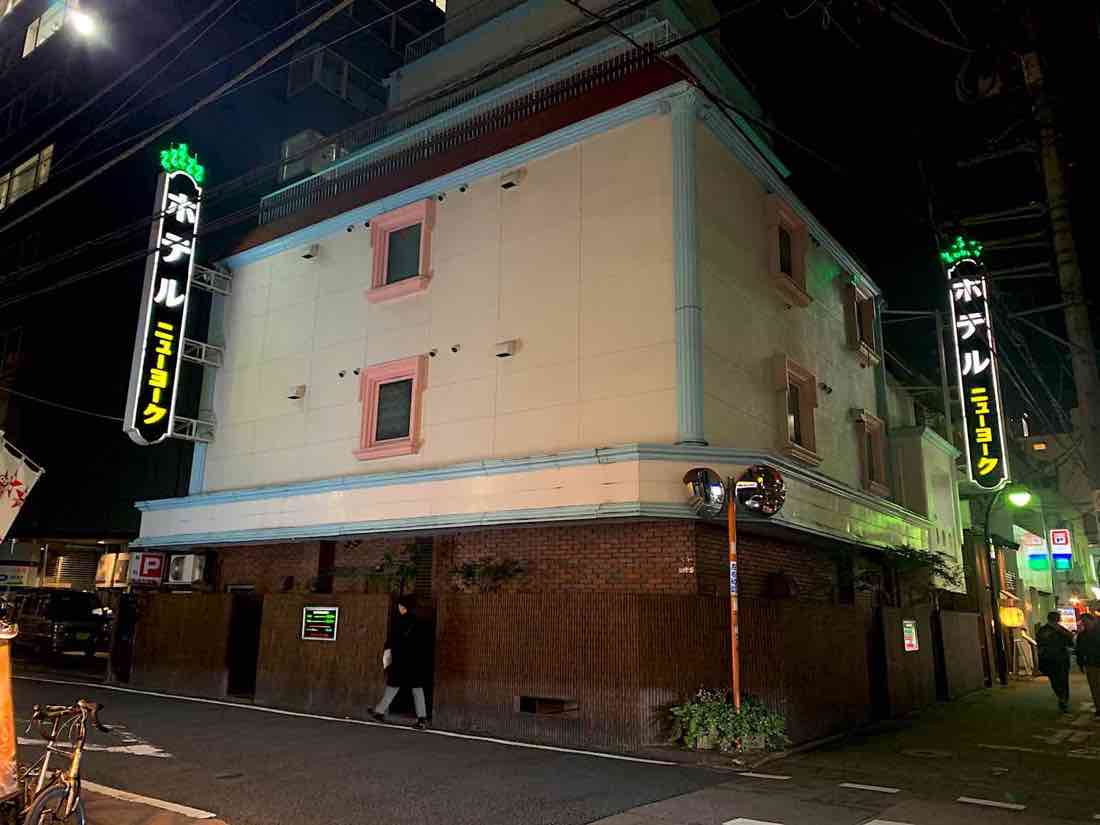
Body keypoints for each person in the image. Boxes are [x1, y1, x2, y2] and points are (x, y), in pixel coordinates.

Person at [370, 595, 429, 729]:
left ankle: (379, 712)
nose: (398, 607)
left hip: (401, 660)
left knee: (393, 686)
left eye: (400, 605)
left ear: (403, 607)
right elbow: (423, 643)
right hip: (415, 662)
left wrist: (388, 655)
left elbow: (392, 641)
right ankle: (422, 719)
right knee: (417, 689)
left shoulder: (400, 622)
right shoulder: (419, 622)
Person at [1036, 610, 1075, 712]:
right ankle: (1062, 698)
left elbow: (1070, 639)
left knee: (1061, 680)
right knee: (1056, 680)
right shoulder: (1044, 630)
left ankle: (1063, 699)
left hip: (1060, 659)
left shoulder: (1060, 629)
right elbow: (1040, 642)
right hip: (1052, 659)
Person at [1076, 613, 1100, 719]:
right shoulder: (1082, 635)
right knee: (1095, 687)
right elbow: (1080, 650)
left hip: (1095, 662)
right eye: (1083, 622)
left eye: (1086, 621)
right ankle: (1099, 708)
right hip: (1091, 664)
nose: (1085, 624)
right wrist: (1080, 663)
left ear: (1093, 620)